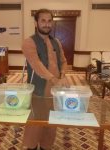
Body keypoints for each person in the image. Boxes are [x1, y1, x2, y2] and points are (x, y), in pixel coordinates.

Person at [22, 9, 70, 150]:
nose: (46, 24)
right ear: (36, 22)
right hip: (38, 91)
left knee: (51, 124)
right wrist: (55, 80)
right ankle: (31, 147)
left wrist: (63, 75)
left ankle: (45, 146)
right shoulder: (29, 42)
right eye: (43, 20)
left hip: (55, 93)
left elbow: (64, 61)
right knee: (35, 125)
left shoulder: (56, 42)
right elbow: (37, 66)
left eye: (49, 21)